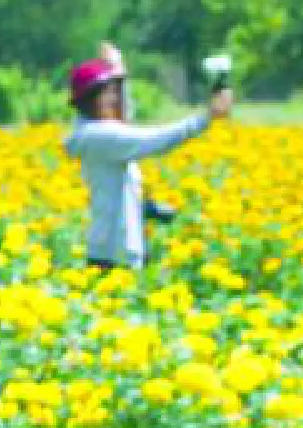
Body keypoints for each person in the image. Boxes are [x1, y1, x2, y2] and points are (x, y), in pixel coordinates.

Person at [65, 43, 232, 272]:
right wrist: (206, 118)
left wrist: (119, 71)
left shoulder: (96, 132)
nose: (114, 99)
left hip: (119, 251)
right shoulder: (98, 136)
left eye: (114, 92)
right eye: (108, 93)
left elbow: (123, 117)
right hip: (113, 258)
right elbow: (153, 140)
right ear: (89, 99)